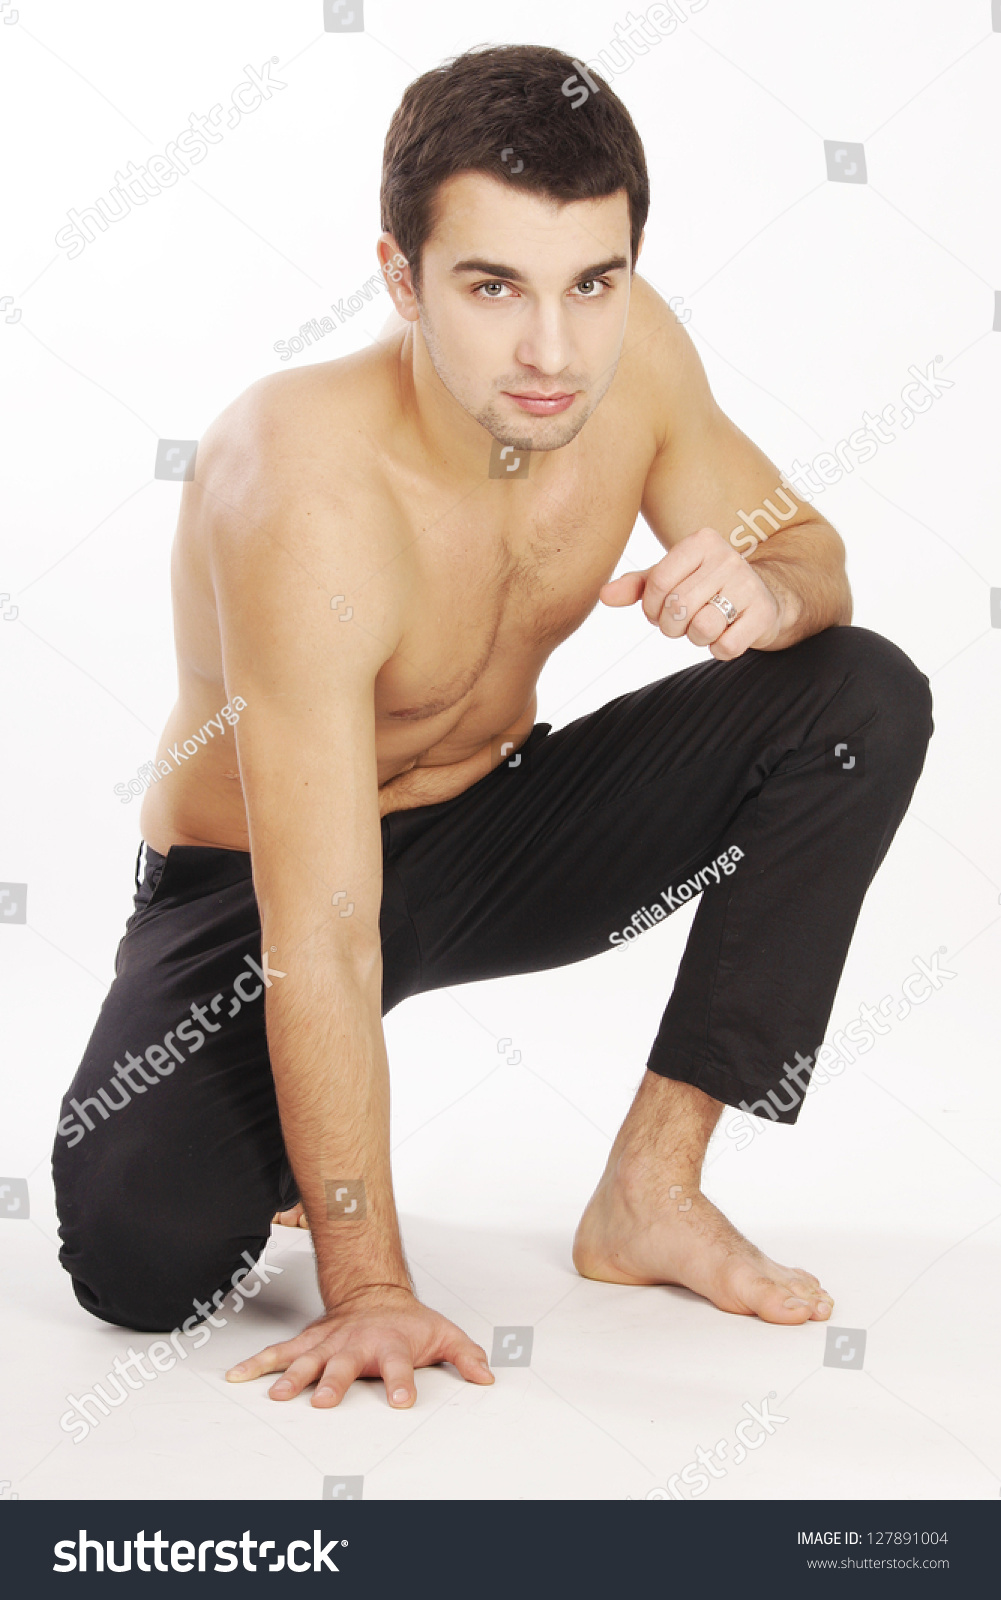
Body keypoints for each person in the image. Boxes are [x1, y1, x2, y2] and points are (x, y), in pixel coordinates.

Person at [52, 43, 933, 1413]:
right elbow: (321, 933)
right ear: (401, 279)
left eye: (594, 281)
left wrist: (771, 586)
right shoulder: (302, 489)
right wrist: (371, 1288)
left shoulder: (631, 364)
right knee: (142, 1259)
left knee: (857, 694)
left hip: (490, 826)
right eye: (490, 287)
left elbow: (810, 550)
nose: (552, 349)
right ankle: (280, 1152)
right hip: (260, 899)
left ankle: (651, 1192)